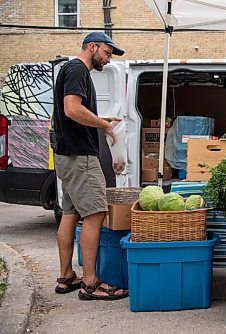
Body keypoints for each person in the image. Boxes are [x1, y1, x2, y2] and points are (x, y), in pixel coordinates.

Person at [52, 32, 128, 300]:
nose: (108, 60)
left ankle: (66, 277)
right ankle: (91, 282)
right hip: (80, 157)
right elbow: (72, 109)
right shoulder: (77, 70)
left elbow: (72, 112)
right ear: (92, 47)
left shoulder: (71, 70)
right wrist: (105, 125)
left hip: (67, 155)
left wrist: (99, 118)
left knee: (70, 214)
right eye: (107, 53)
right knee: (95, 215)